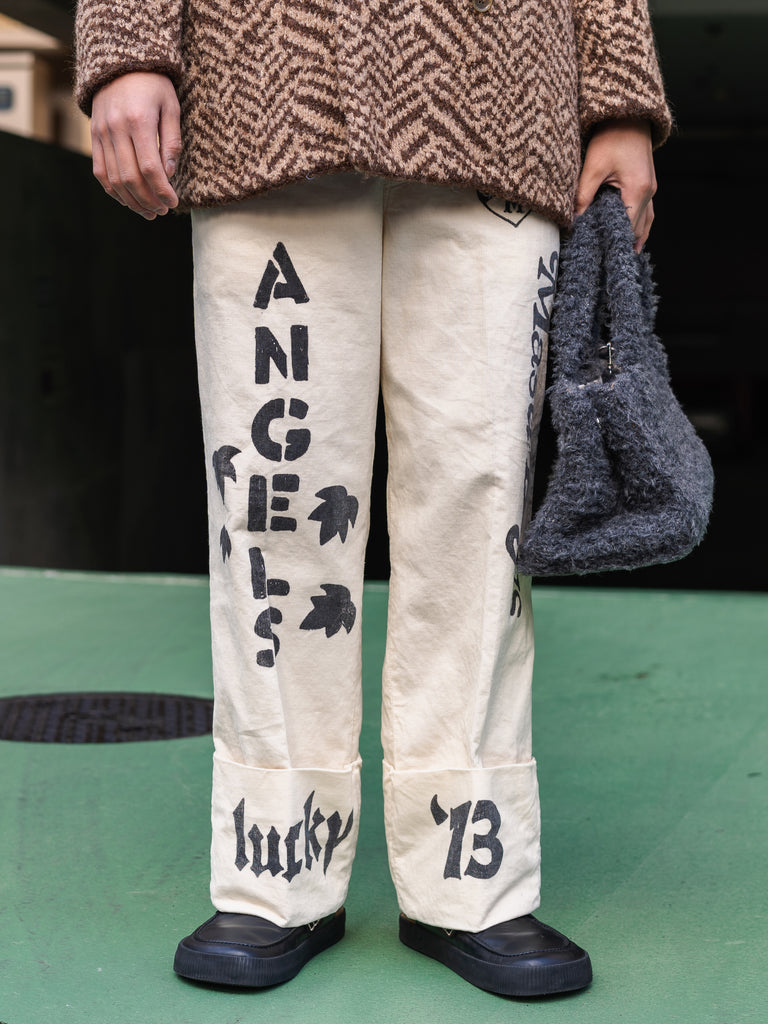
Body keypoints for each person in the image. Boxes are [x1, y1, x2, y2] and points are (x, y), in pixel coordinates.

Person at [75, 0, 670, 997]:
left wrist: (619, 100)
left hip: (501, 91)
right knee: (274, 504)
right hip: (265, 80)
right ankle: (275, 864)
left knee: (482, 509)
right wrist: (127, 45)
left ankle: (470, 874)